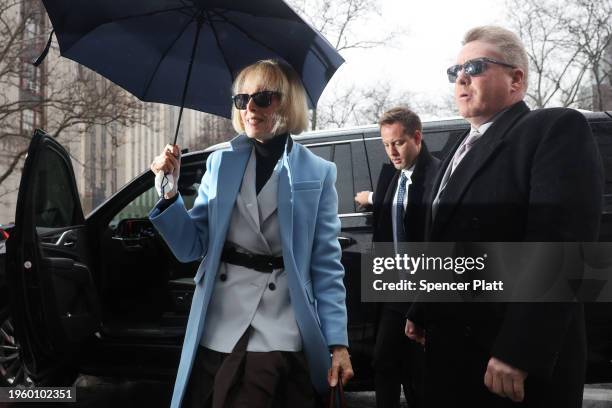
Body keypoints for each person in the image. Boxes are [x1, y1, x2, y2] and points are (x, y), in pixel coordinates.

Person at [405, 26, 604, 408]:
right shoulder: (457, 150)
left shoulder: (553, 129)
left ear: (516, 79)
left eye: (475, 67)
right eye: (455, 71)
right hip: (454, 352)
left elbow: (562, 245)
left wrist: (520, 350)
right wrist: (422, 306)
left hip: (510, 364)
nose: (461, 78)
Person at [149, 59, 353, 408]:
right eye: (241, 100)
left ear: (286, 102)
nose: (250, 108)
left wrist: (338, 343)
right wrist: (168, 193)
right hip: (219, 324)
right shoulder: (219, 162)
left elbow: (327, 267)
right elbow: (190, 247)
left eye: (263, 98)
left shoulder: (318, 173)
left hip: (280, 326)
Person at [355, 107, 439, 408]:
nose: (392, 151)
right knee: (384, 362)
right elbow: (386, 204)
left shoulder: (437, 176)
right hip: (393, 288)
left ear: (417, 137)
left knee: (419, 372)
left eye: (399, 143)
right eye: (386, 144)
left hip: (424, 289)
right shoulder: (392, 174)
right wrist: (370, 199)